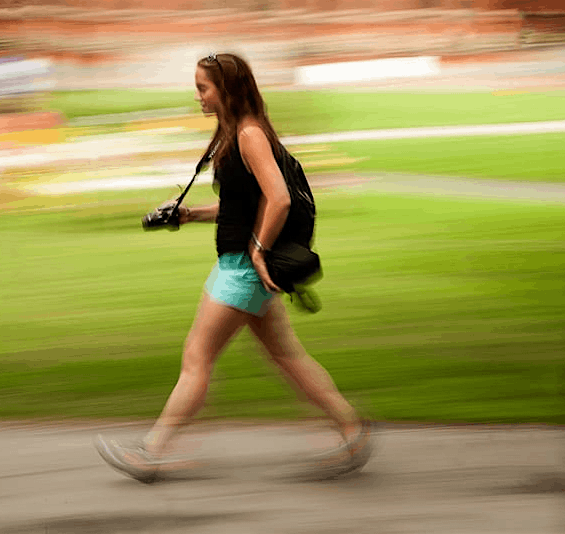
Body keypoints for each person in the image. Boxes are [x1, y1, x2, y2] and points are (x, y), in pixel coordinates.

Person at [95, 53, 371, 483]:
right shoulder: (236, 133)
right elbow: (242, 205)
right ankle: (353, 431)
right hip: (241, 263)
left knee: (197, 357)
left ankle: (150, 452)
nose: (198, 94)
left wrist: (259, 250)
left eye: (203, 87)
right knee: (285, 354)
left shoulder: (248, 134)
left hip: (244, 268)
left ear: (227, 90)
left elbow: (278, 198)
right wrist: (190, 215)